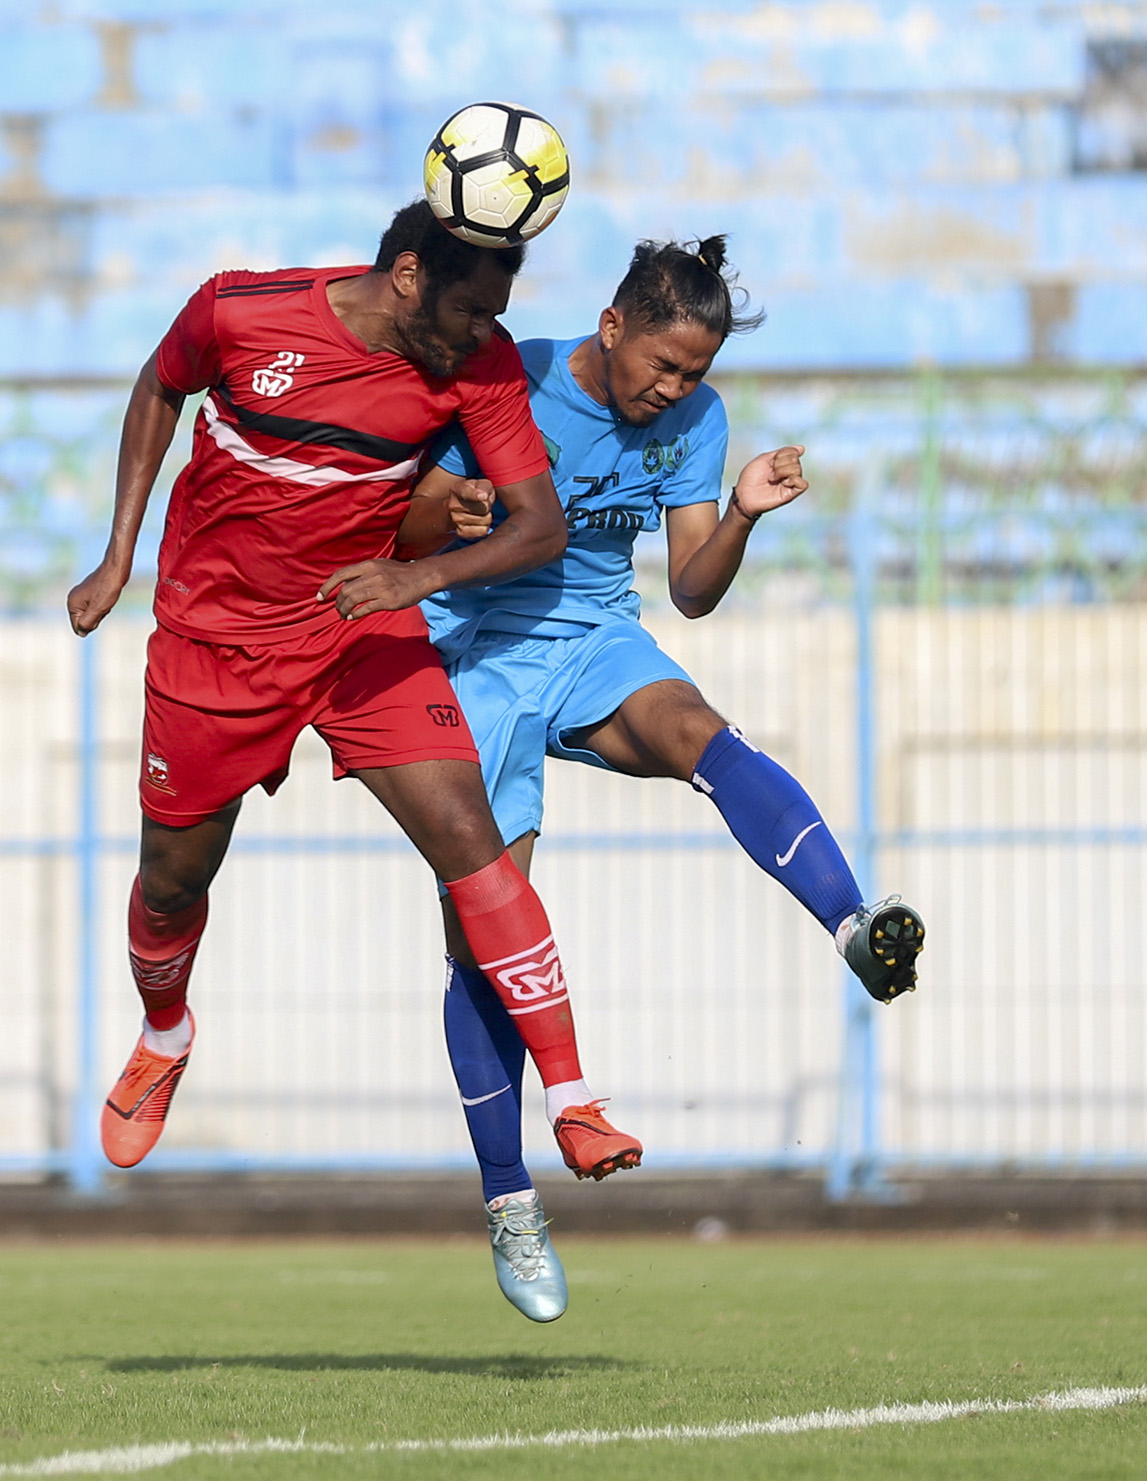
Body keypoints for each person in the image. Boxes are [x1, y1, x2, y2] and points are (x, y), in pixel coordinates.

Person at [64, 201, 643, 1184]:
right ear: (408, 275)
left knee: (473, 837)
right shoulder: (241, 315)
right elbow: (159, 389)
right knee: (171, 879)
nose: (484, 331)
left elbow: (540, 525)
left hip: (360, 621)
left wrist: (414, 577)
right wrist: (118, 553)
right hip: (219, 641)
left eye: (497, 310)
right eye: (469, 310)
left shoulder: (482, 361)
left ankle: (574, 1099)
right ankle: (165, 1033)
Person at [399, 237, 924, 1321]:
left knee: (695, 724)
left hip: (594, 633)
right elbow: (407, 520)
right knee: (486, 928)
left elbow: (688, 591)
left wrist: (735, 513)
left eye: (693, 374)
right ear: (613, 324)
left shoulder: (695, 420)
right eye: (664, 368)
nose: (674, 390)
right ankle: (509, 1200)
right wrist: (444, 515)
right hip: (477, 647)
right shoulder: (513, 375)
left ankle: (852, 922)